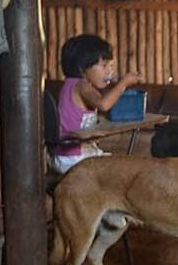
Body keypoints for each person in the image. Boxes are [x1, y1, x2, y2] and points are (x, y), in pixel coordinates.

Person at [50, 34, 143, 174]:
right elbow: (104, 105)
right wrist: (124, 83)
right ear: (82, 68)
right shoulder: (82, 86)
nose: (109, 71)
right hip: (74, 158)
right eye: (104, 65)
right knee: (124, 171)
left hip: (66, 156)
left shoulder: (71, 85)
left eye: (111, 66)